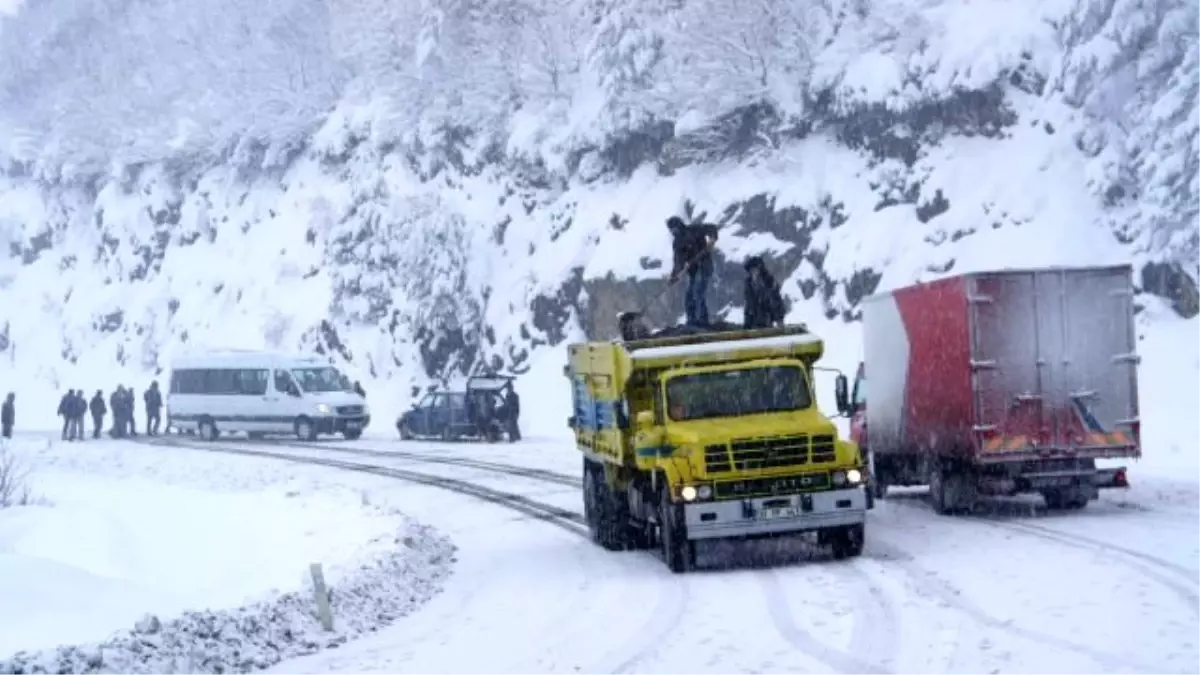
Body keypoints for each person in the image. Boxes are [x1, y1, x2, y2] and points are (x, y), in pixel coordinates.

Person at [666, 216, 719, 326]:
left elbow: (712, 228)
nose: (674, 231)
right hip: (693, 270)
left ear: (680, 225)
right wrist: (674, 276)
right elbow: (678, 262)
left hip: (704, 266)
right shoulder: (677, 243)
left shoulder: (695, 229)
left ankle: (703, 321)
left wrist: (712, 238)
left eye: (675, 228)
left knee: (698, 292)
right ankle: (692, 321)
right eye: (671, 230)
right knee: (689, 296)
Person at [743, 255, 787, 329]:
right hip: (754, 322)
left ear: (760, 269)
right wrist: (747, 324)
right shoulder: (749, 284)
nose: (753, 272)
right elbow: (748, 305)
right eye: (751, 270)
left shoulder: (769, 282)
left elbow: (776, 302)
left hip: (767, 320)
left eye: (755, 269)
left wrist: (779, 320)